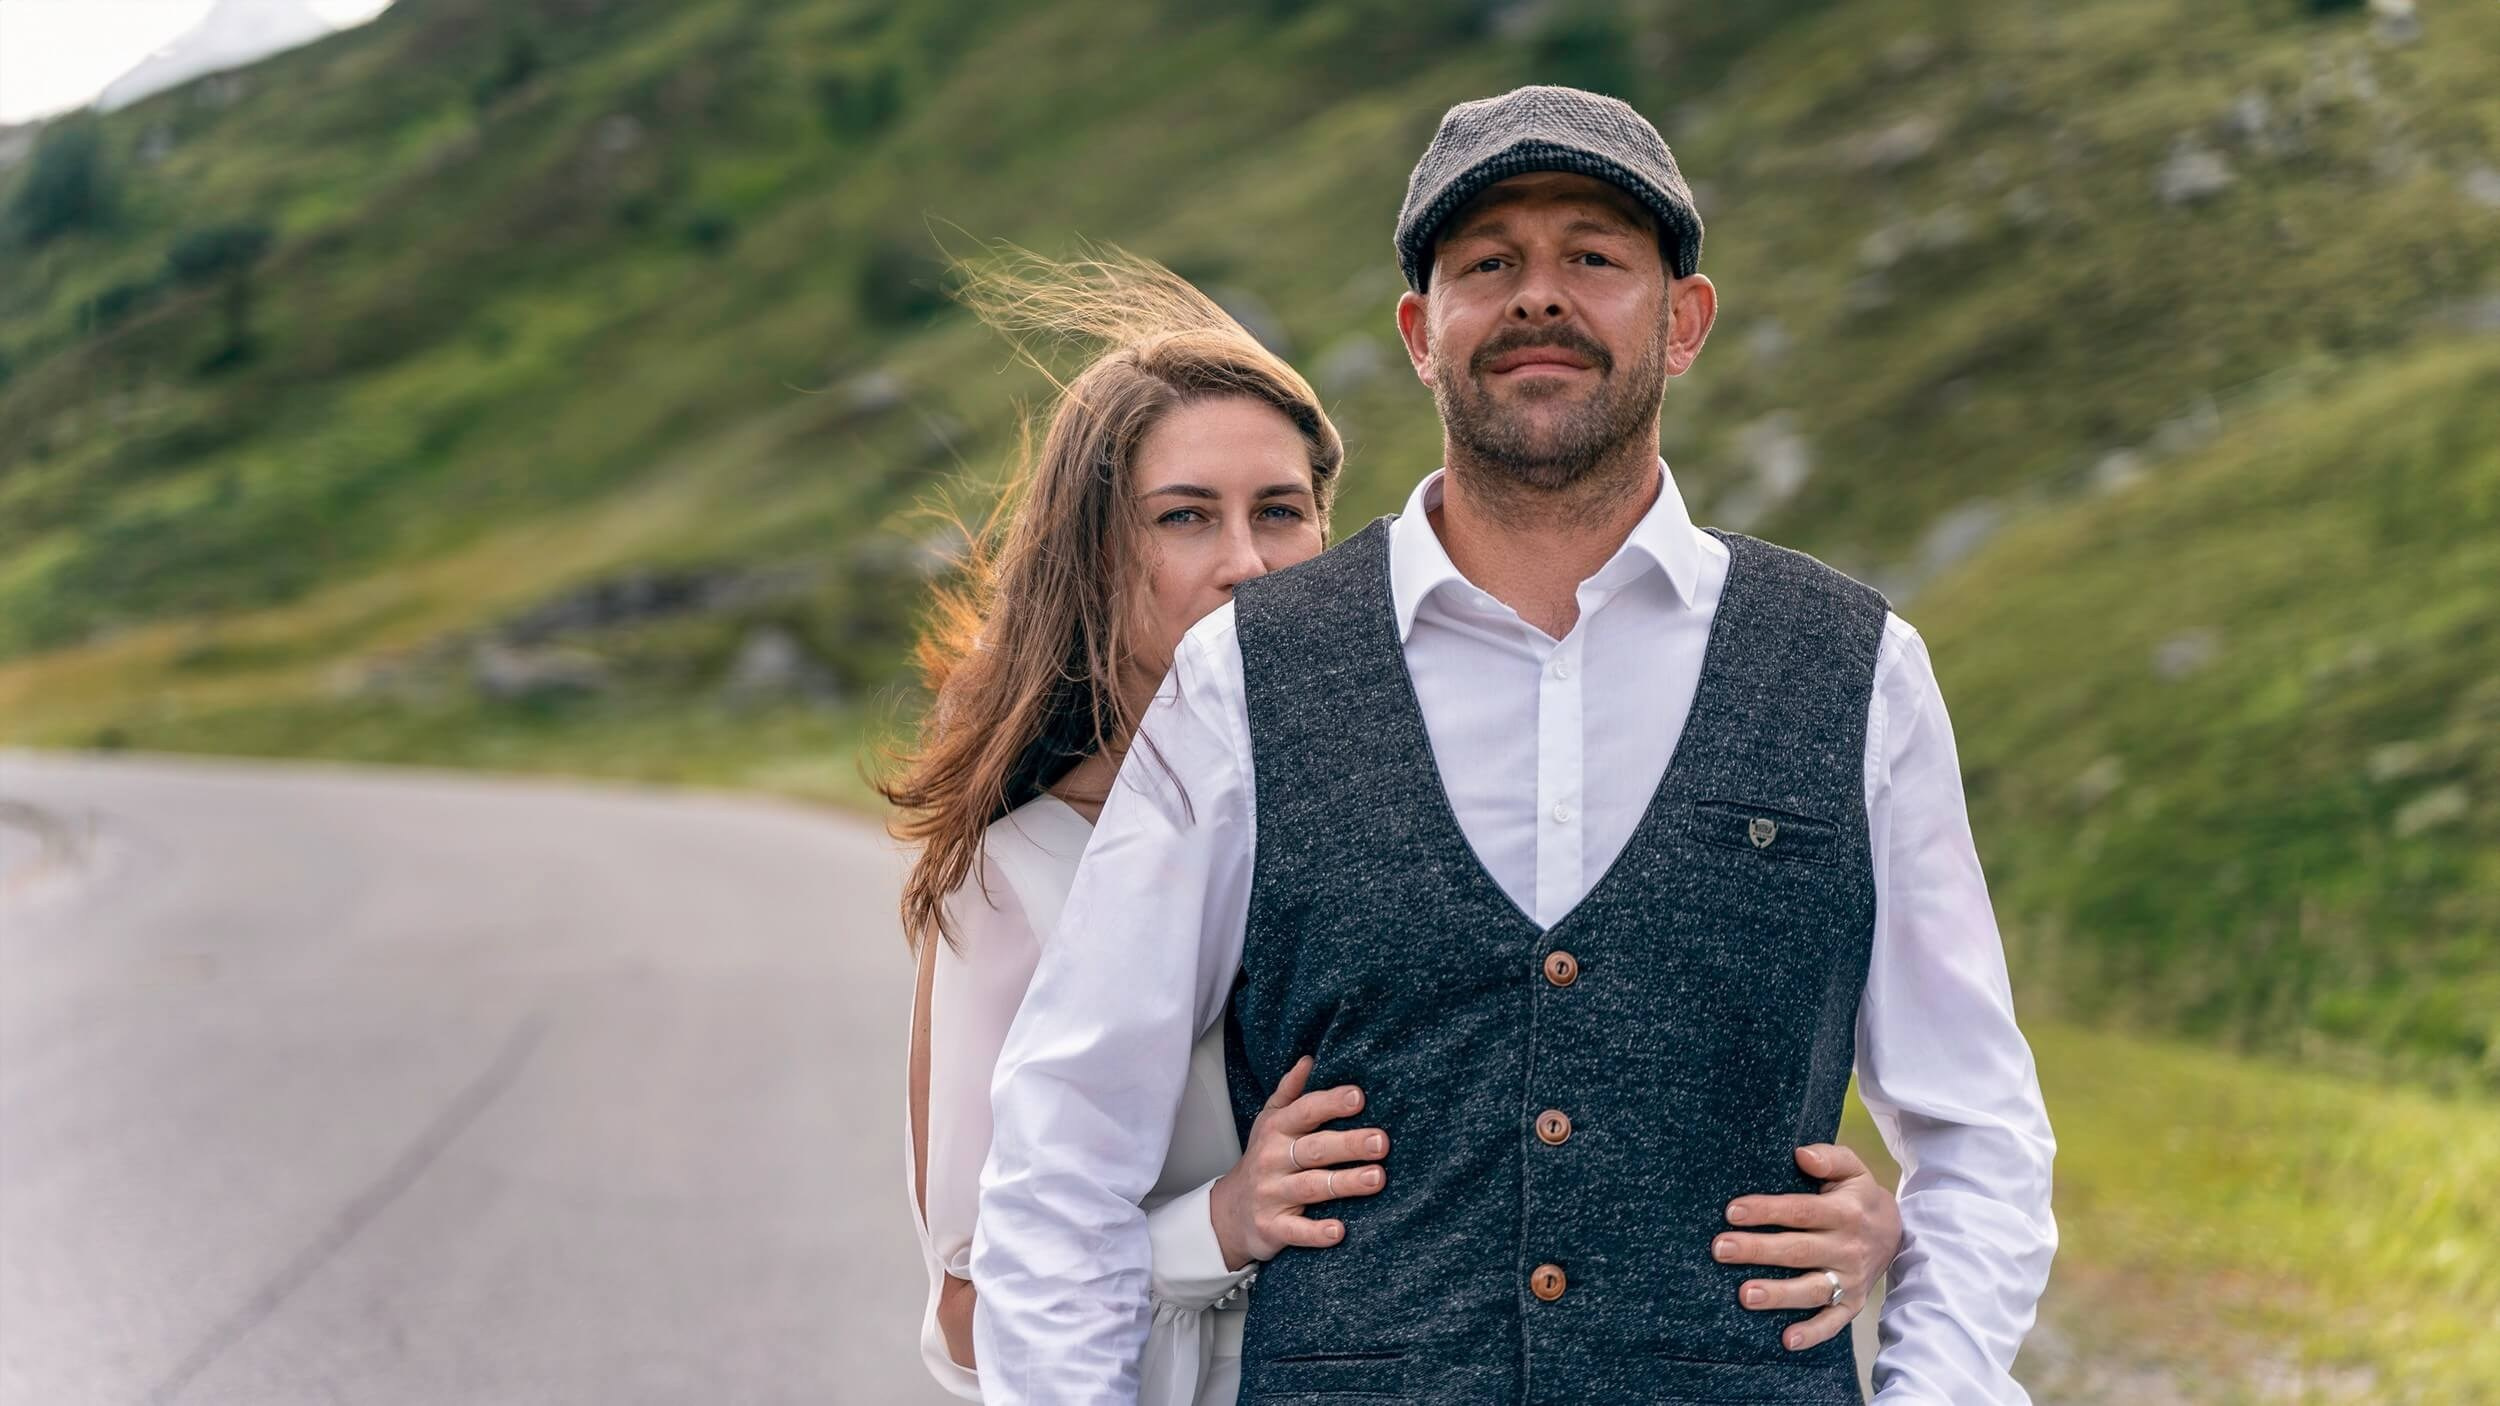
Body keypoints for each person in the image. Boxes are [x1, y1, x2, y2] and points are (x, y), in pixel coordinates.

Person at [971, 87, 2058, 1405]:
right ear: (1423, 334)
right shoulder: (1248, 675)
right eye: (1490, 263)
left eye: (1594, 257)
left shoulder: (1856, 671)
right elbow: (1064, 1141)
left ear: (1684, 319)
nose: (1540, 295)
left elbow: (1982, 1141)